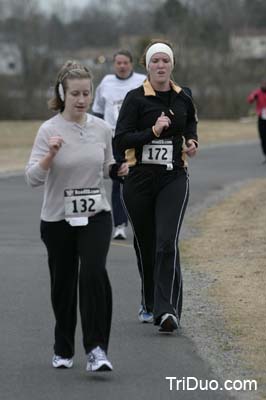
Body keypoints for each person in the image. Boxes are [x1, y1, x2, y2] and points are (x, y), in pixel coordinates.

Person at [25, 60, 128, 371]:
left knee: (94, 273)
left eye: (86, 93)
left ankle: (97, 349)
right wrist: (50, 155)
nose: (82, 100)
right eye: (75, 94)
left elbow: (108, 166)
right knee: (63, 284)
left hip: (96, 213)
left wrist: (117, 170)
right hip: (57, 219)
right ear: (62, 94)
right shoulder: (49, 130)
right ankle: (63, 346)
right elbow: (32, 178)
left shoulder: (102, 128)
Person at [113, 39, 198, 332]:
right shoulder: (135, 99)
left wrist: (191, 141)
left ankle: (167, 311)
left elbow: (190, 125)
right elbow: (121, 140)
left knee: (166, 241)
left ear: (172, 64)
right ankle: (149, 301)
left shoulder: (183, 96)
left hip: (173, 177)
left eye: (165, 61)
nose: (160, 66)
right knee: (146, 246)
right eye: (155, 62)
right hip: (139, 180)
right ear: (147, 66)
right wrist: (152, 131)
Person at [92, 50, 146, 240]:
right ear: (114, 65)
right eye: (118, 63)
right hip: (113, 137)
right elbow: (97, 110)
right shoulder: (106, 82)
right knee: (118, 180)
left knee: (138, 179)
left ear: (131, 64)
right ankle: (120, 225)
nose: (122, 66)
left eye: (125, 63)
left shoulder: (142, 81)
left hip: (136, 137)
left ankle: (140, 220)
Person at [247, 80, 266, 163]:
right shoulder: (257, 93)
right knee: (263, 137)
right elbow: (250, 99)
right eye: (263, 84)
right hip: (261, 117)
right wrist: (252, 97)